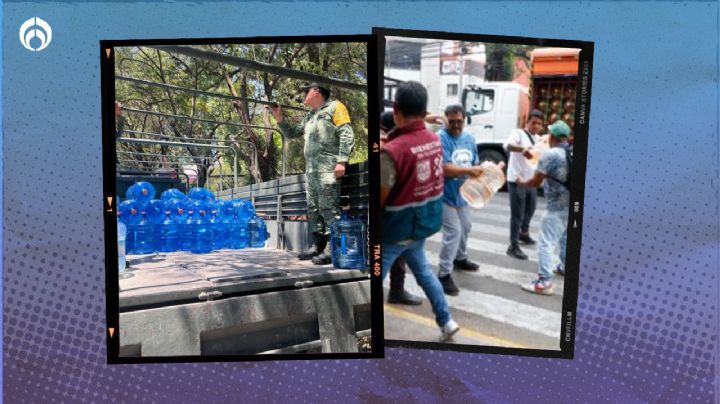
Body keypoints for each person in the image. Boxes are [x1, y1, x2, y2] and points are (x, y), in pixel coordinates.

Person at [381, 81, 459, 341]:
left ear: (396, 110)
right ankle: (446, 321)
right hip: (420, 227)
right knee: (424, 273)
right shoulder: (434, 140)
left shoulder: (392, 151)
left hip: (395, 230)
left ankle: (362, 338)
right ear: (425, 111)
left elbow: (380, 199)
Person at [271, 83, 355, 265]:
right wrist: (279, 117)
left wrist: (342, 161)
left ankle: (335, 249)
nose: (304, 95)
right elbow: (292, 133)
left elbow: (346, 133)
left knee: (328, 208)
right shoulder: (310, 116)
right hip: (311, 172)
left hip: (328, 168)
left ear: (317, 91)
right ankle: (318, 246)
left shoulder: (335, 107)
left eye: (306, 91)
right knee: (314, 210)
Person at [515, 120, 572, 295]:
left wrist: (522, 182)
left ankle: (544, 282)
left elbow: (536, 181)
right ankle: (564, 267)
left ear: (552, 136)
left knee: (545, 242)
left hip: (556, 206)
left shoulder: (551, 154)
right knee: (565, 237)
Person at [436, 105, 483, 296]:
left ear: (464, 120)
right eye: (452, 121)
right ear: (446, 120)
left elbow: (475, 163)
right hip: (444, 195)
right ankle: (444, 274)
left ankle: (460, 258)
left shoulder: (469, 139)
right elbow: (445, 168)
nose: (456, 125)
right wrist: (469, 171)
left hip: (463, 195)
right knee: (453, 232)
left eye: (459, 121)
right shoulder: (441, 138)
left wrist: (481, 170)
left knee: (466, 227)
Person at [380, 111, 422, 306]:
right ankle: (396, 291)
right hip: (391, 211)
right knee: (395, 254)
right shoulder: (389, 146)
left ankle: (397, 290)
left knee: (396, 254)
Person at [504, 109, 544, 260]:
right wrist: (522, 149)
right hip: (517, 180)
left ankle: (524, 233)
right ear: (527, 122)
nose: (536, 126)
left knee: (531, 208)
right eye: (534, 122)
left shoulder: (540, 139)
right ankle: (513, 246)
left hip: (531, 180)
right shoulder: (518, 134)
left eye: (539, 124)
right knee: (517, 214)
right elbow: (507, 145)